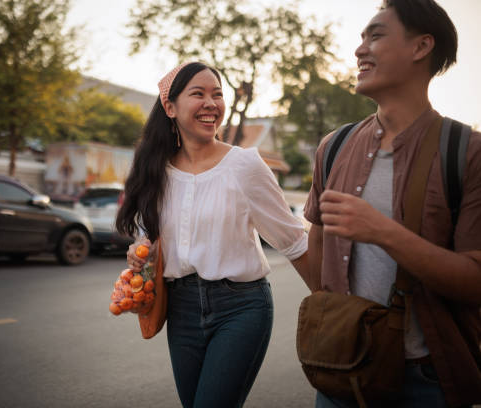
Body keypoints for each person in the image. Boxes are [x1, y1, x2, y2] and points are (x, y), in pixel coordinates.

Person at [304, 1, 481, 407]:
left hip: (426, 381)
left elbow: (475, 282)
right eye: (362, 37)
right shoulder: (334, 147)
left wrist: (383, 232)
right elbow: (317, 244)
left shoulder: (467, 153)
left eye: (376, 35)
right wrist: (337, 322)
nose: (359, 50)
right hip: (338, 371)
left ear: (421, 47)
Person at [116, 61, 309, 407]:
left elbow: (293, 240)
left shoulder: (245, 165)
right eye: (198, 94)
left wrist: (337, 296)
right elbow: (147, 238)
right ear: (170, 107)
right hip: (182, 309)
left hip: (241, 307)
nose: (211, 103)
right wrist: (138, 252)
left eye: (217, 94)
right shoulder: (155, 170)